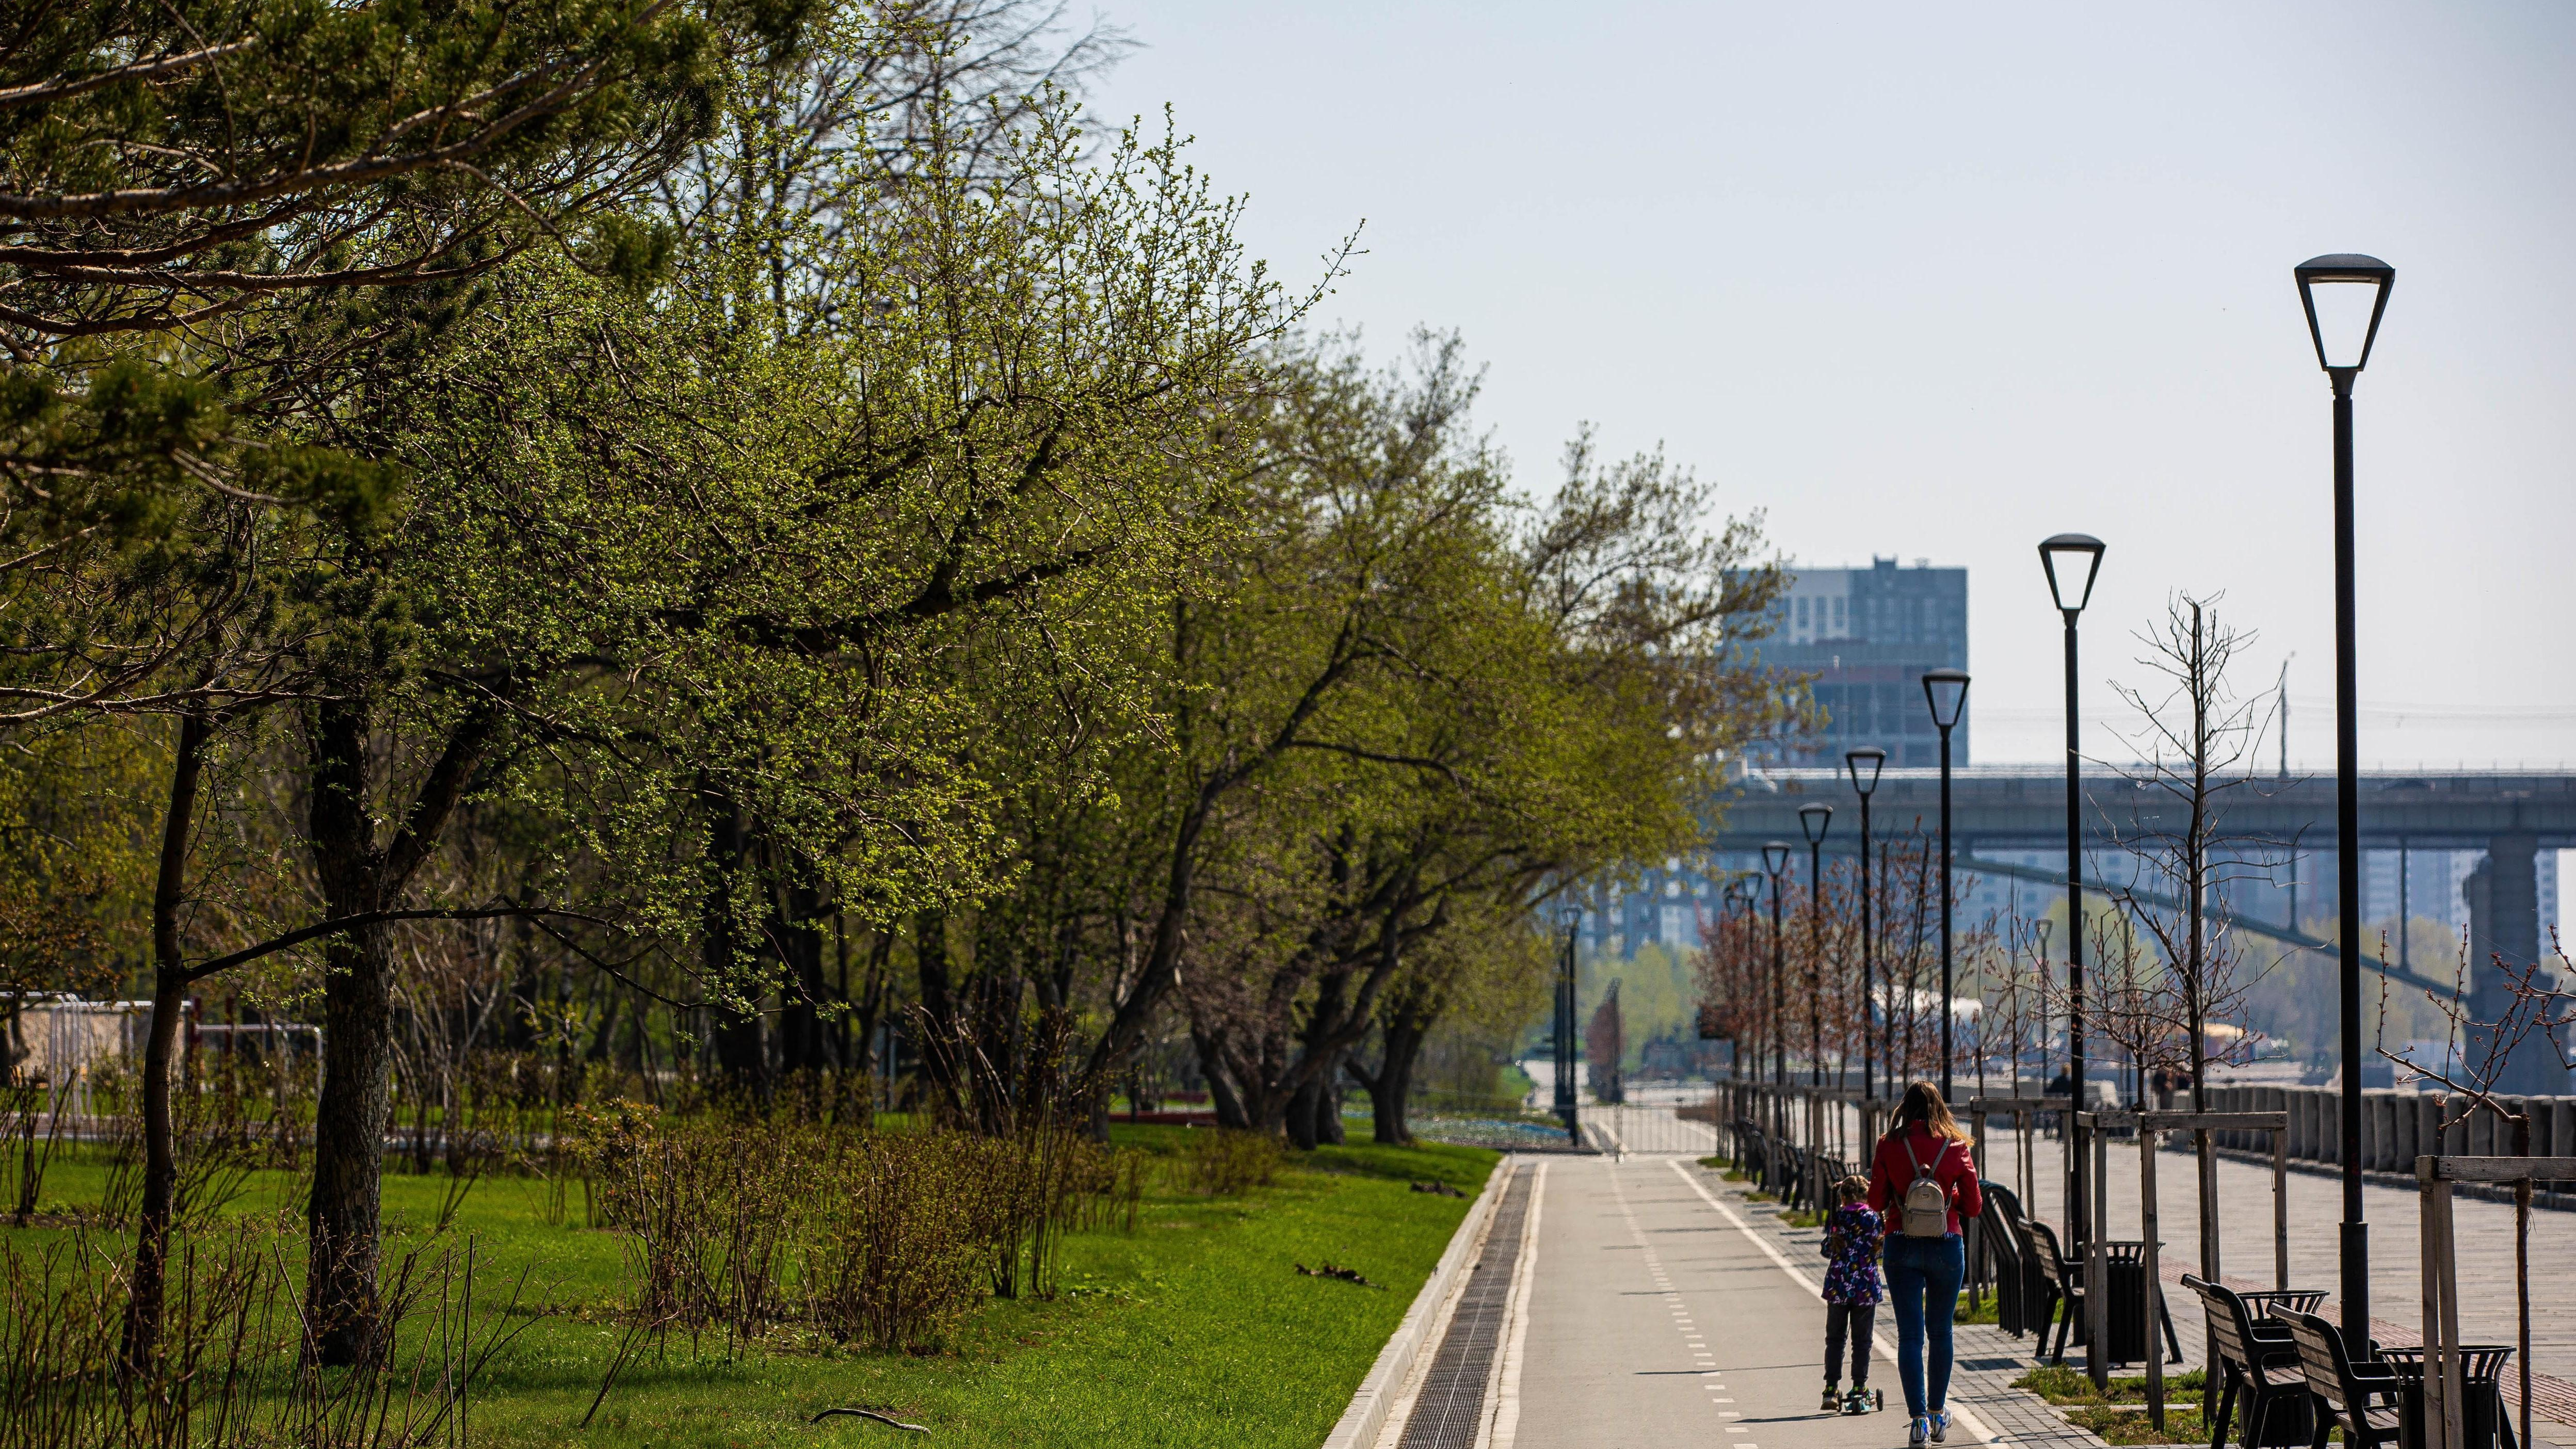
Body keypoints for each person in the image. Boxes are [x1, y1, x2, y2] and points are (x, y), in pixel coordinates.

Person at [1869, 1081, 1984, 1448]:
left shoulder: (1888, 1144)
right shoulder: (1955, 1146)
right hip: (1946, 1246)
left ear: (1904, 1107)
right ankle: (1937, 1413)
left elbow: (1875, 1201)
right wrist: (1947, 1198)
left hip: (1901, 1245)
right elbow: (1975, 1206)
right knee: (1941, 1332)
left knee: (1910, 1336)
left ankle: (1917, 1421)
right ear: (1939, 1108)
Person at [1818, 1174, 1883, 1415]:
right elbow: (1880, 1251)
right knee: (1862, 1341)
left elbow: (1827, 1249)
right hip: (1865, 1286)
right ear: (1868, 1197)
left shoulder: (1838, 1216)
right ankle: (1859, 1387)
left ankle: (1831, 1389)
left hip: (1838, 1285)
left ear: (1842, 1197)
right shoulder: (1874, 1217)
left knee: (1835, 1339)